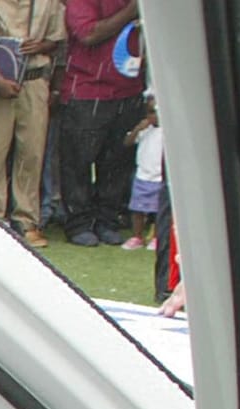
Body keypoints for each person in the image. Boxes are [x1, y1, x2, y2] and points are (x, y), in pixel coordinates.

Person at [0, 0, 64, 247]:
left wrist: (40, 45)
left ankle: (27, 220)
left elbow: (57, 40)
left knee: (32, 152)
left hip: (35, 80)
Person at [56, 0, 143, 247]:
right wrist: (132, 10)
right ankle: (78, 223)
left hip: (128, 86)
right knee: (78, 163)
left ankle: (107, 220)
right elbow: (88, 33)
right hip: (86, 88)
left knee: (117, 162)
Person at [122, 94, 162, 250]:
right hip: (142, 176)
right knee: (137, 210)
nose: (153, 116)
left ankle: (157, 236)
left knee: (158, 211)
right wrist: (138, 129)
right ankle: (137, 236)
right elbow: (127, 142)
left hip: (159, 177)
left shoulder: (167, 132)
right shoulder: (145, 130)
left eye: (156, 112)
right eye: (150, 112)